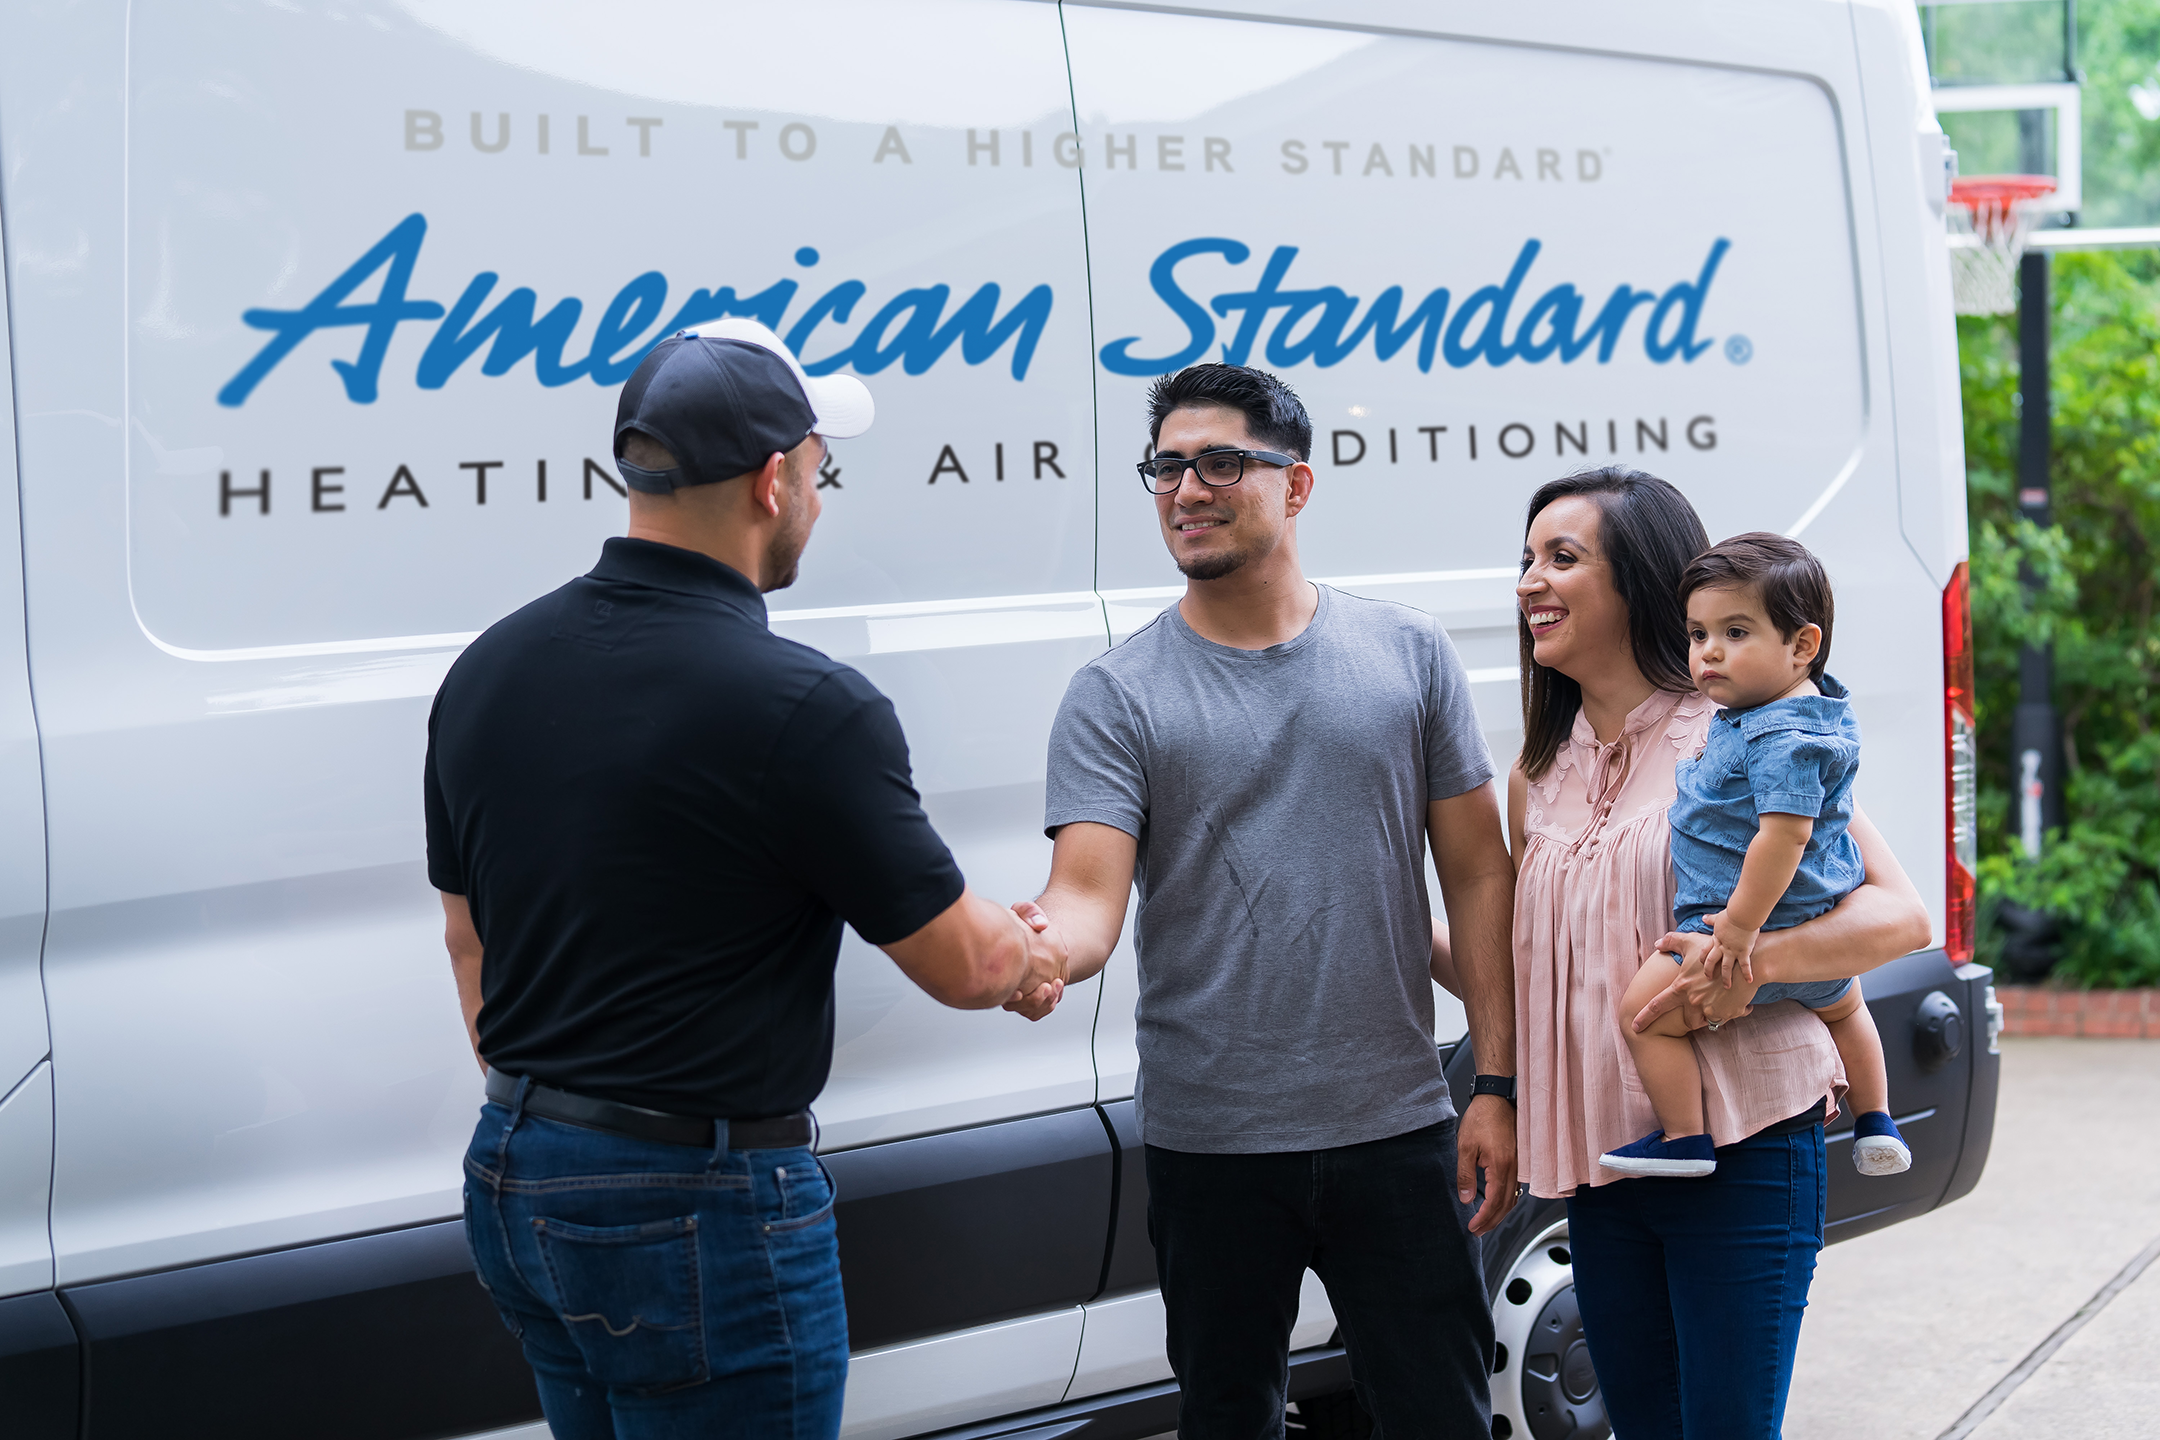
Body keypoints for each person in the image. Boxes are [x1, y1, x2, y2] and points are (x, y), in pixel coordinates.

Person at [424, 319, 1066, 1440]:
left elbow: (466, 943)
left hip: (515, 1169)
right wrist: (1035, 949)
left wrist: (566, 1125)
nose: (820, 495)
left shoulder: (489, 668)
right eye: (823, 469)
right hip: (694, 1204)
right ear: (774, 480)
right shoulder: (803, 708)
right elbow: (964, 965)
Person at [1009, 363, 1519, 1439]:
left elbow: (1478, 873)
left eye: (1220, 462)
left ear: (1297, 486)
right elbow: (1086, 900)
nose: (1187, 489)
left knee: (1441, 1415)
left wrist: (1501, 1083)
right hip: (1212, 1141)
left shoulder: (1408, 654)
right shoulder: (1116, 694)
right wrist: (1031, 951)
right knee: (1230, 1417)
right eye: (1166, 467)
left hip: (1398, 1124)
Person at [1507, 467, 1931, 1438]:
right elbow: (1537, 967)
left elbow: (1900, 917)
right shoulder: (1537, 774)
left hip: (1746, 1149)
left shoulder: (1743, 730)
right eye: (1524, 560)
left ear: (1642, 585)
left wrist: (1733, 967)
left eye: (1561, 559)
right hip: (1612, 1164)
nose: (1530, 581)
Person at [1603, 531, 1911, 1179]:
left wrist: (1738, 933)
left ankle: (1684, 1138)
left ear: (1801, 646)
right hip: (1817, 936)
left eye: (1736, 633)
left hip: (1729, 931)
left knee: (1643, 1017)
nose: (1709, 651)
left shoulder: (1782, 734)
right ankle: (1877, 1120)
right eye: (1697, 634)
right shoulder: (1802, 715)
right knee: (1847, 1007)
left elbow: (1785, 835)